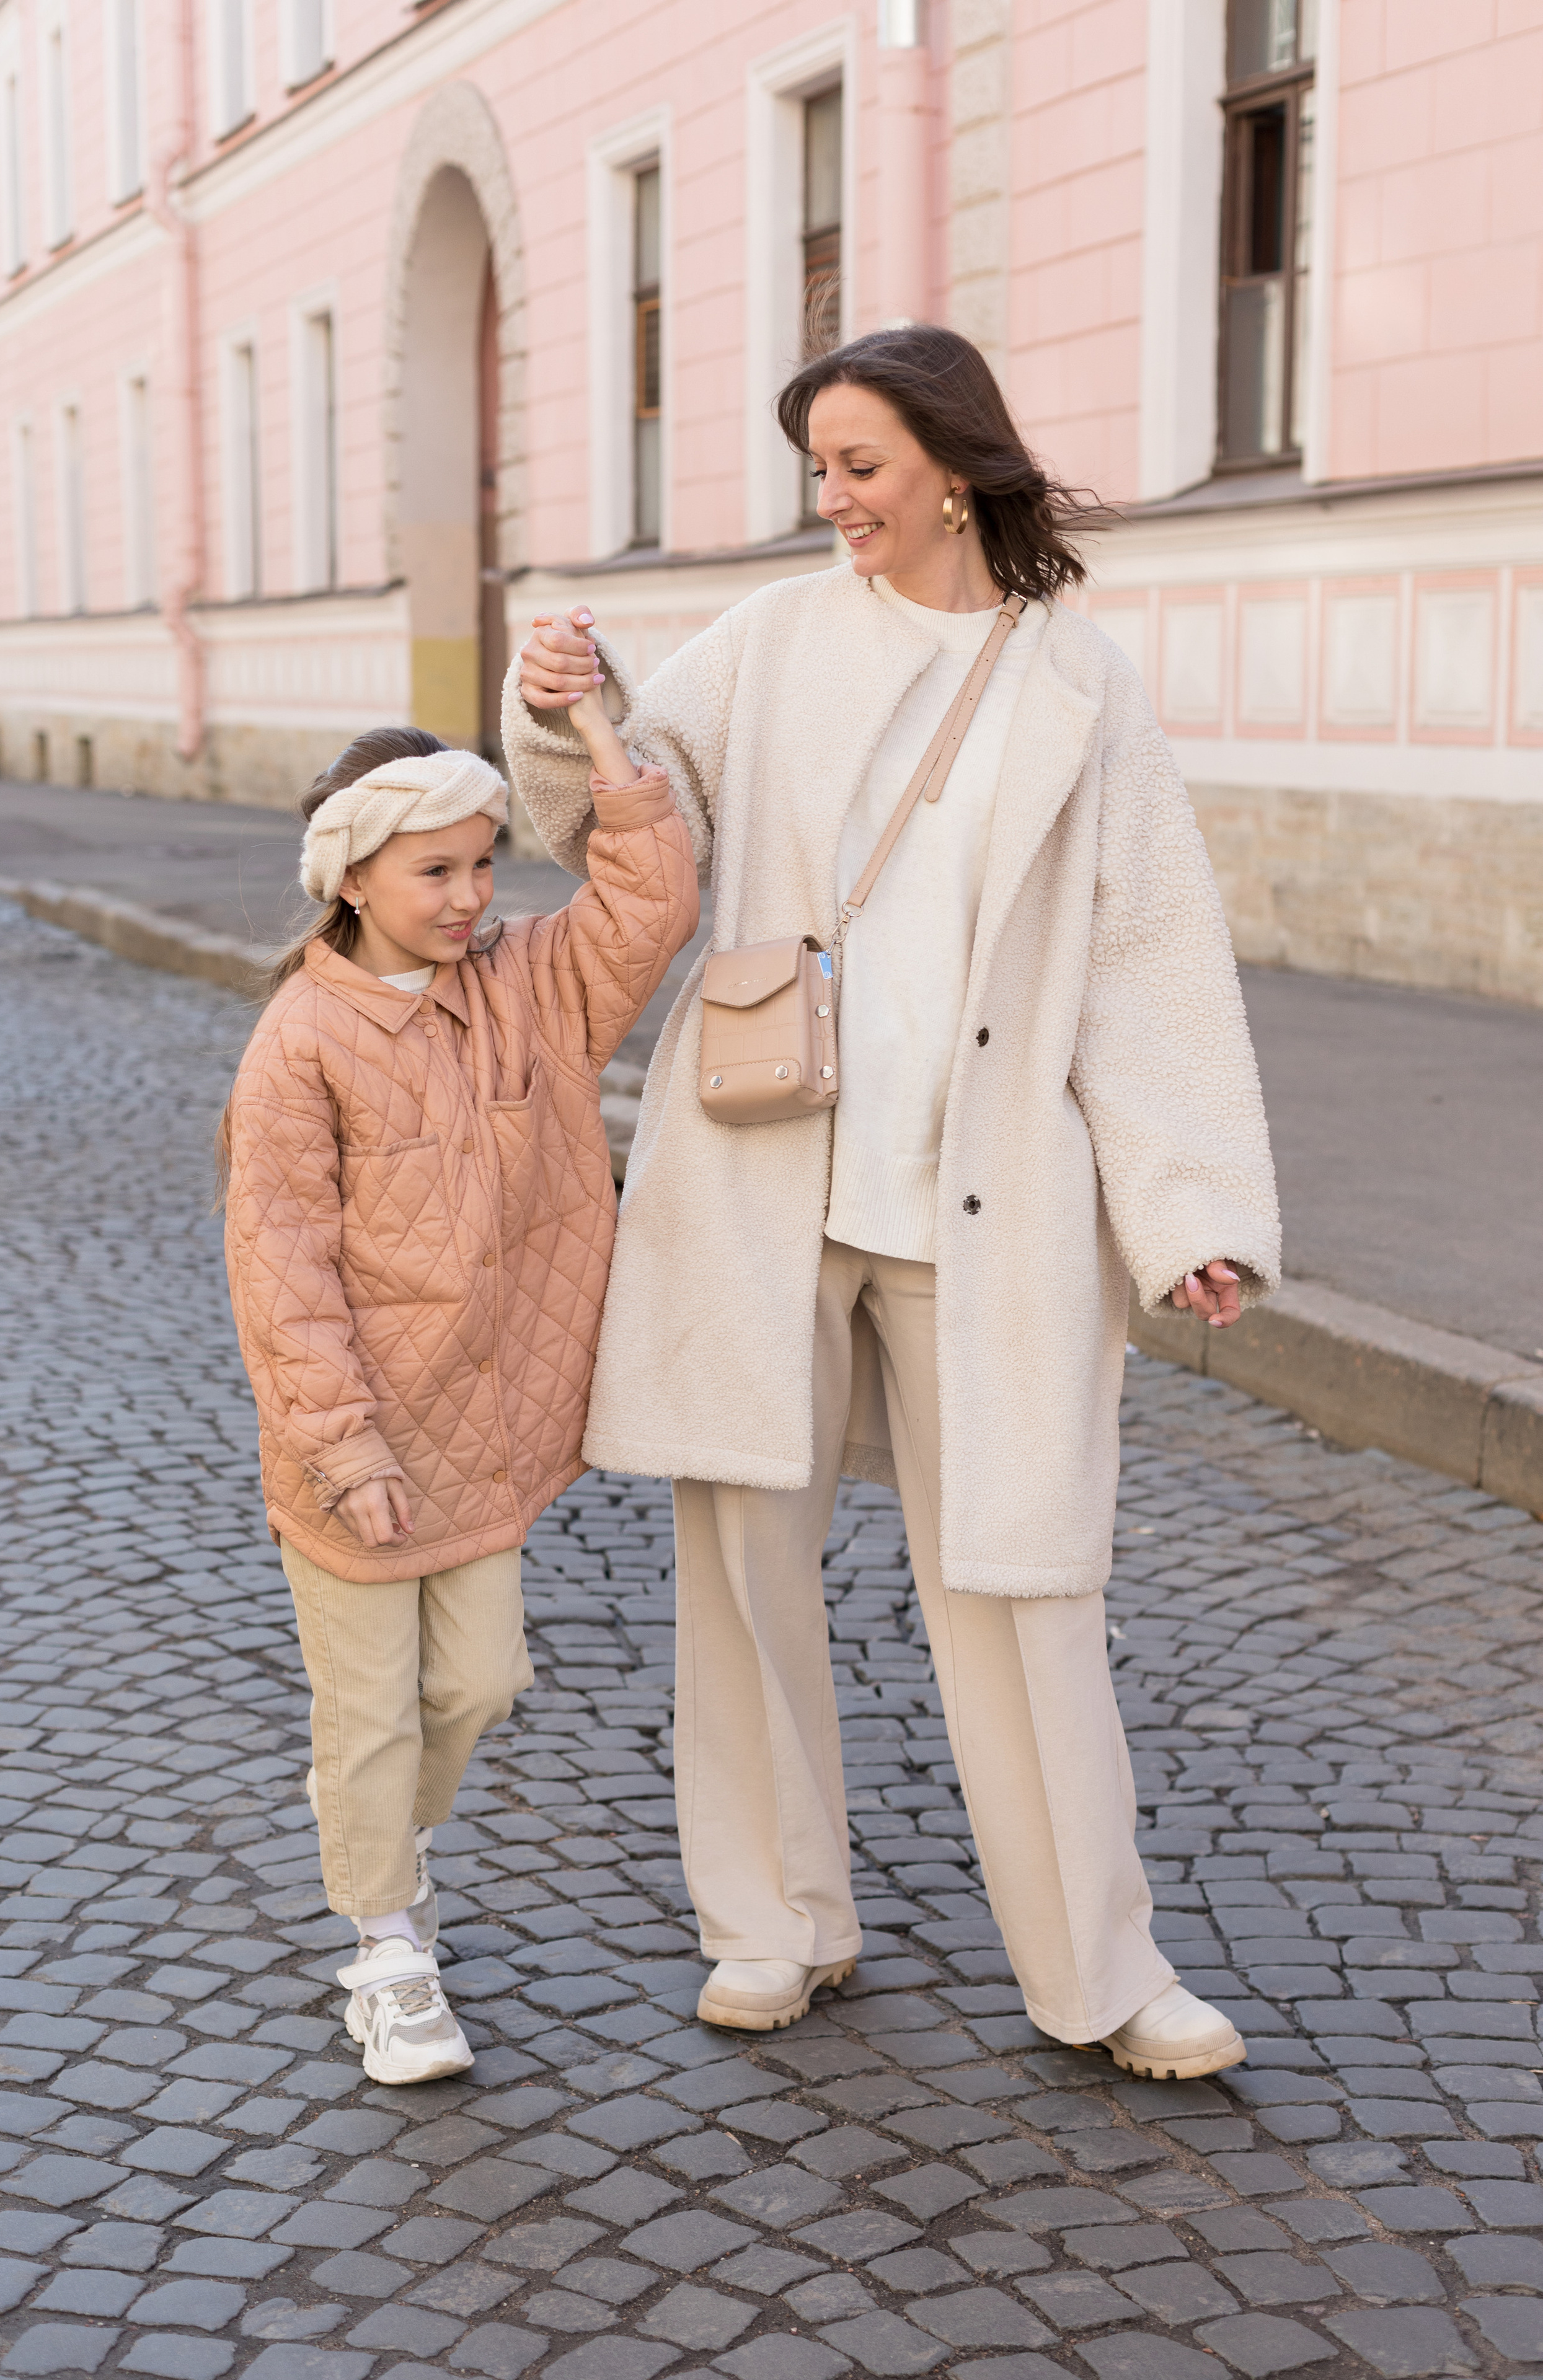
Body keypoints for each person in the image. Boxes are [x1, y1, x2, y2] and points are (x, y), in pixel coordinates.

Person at [503, 324, 1280, 2082]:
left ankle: (1104, 1972)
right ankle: (775, 1924)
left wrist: (1193, 1208)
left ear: (950, 461)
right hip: (775, 1168)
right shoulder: (773, 641)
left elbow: (1153, 955)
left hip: (991, 1198)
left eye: (859, 464)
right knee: (743, 1571)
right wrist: (567, 701)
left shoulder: (1086, 684)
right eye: (821, 470)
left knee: (1023, 1584)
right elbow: (638, 817)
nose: (835, 500)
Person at [219, 713, 697, 2083]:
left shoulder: (527, 988)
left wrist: (592, 726)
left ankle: (381, 1841)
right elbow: (282, 1270)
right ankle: (387, 1952)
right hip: (353, 1436)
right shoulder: (298, 1045)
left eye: (483, 864)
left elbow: (649, 901)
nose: (472, 897)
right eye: (435, 872)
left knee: (481, 1683)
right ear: (353, 879)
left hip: (482, 1429)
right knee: (369, 1707)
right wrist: (339, 1442)